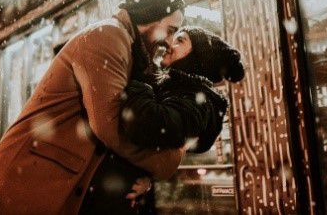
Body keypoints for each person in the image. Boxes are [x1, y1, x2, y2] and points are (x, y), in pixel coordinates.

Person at [0, 0, 187, 214]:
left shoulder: (127, 47)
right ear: (150, 17)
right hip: (24, 184)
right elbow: (109, 126)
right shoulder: (108, 36)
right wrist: (166, 161)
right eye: (170, 30)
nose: (170, 41)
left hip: (42, 185)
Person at [79, 26, 245, 214]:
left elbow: (147, 124)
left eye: (180, 40)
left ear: (197, 58)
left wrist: (139, 78)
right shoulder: (175, 90)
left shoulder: (196, 101)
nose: (170, 43)